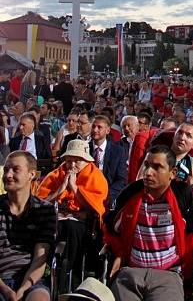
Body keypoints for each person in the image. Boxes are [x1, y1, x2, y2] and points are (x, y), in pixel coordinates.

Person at [103, 145, 193, 301]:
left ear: (173, 173)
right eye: (147, 165)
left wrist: (186, 272)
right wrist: (120, 254)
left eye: (157, 167)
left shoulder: (184, 194)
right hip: (130, 272)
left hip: (168, 275)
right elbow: (110, 228)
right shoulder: (131, 192)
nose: (148, 172)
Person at [36, 139, 108, 281]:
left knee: (71, 228)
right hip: (56, 218)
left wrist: (74, 187)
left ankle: (71, 275)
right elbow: (40, 202)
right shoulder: (57, 174)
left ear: (87, 161)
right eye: (69, 161)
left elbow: (94, 208)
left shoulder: (96, 176)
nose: (72, 165)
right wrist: (61, 189)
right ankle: (43, 268)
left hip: (83, 225)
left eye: (77, 161)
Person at [0, 151, 56, 301]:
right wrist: (5, 290)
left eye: (15, 170)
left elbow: (40, 258)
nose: (8, 175)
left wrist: (23, 289)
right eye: (6, 170)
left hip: (32, 278)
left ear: (32, 175)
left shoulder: (44, 210)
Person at [89, 114, 127, 205]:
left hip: (108, 195)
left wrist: (107, 195)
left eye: (99, 127)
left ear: (108, 130)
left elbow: (121, 179)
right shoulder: (84, 148)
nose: (95, 130)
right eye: (93, 126)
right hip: (87, 192)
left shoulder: (118, 151)